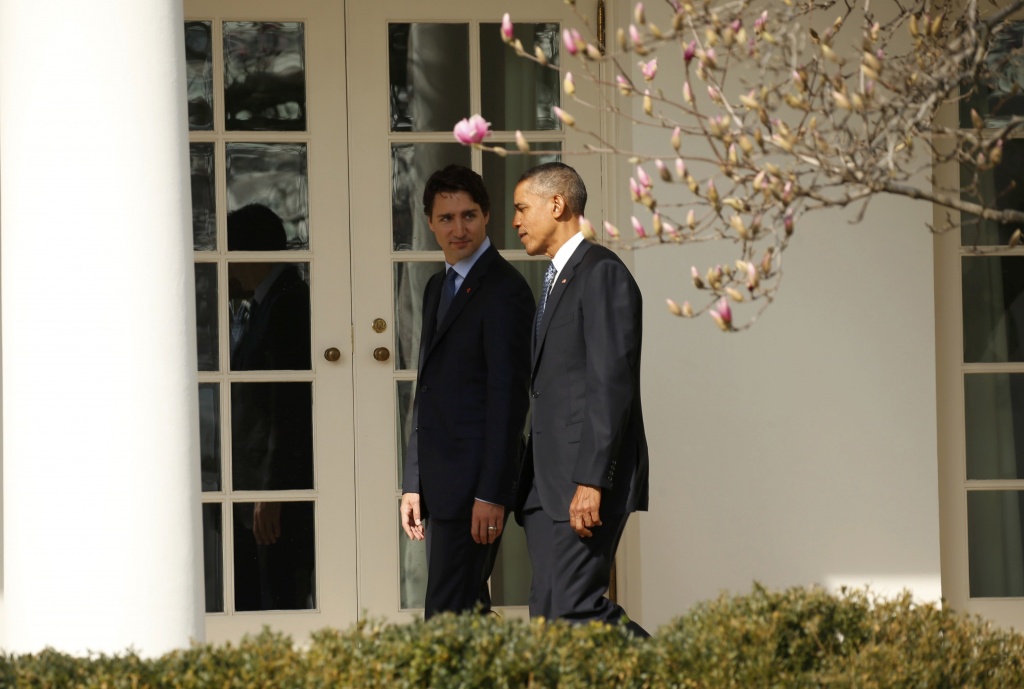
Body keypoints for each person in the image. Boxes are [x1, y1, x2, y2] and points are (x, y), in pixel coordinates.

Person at [512, 162, 650, 636]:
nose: (515, 221)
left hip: (582, 484)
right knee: (550, 621)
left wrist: (592, 480)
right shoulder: (557, 280)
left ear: (557, 205)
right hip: (544, 488)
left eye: (522, 208)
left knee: (577, 609)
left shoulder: (602, 273)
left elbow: (611, 386)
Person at [400, 165, 534, 618]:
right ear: (430, 223)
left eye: (469, 215)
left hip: (476, 488)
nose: (459, 229)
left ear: (487, 215)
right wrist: (412, 484)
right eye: (446, 218)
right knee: (465, 612)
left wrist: (491, 494)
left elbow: (508, 400)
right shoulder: (438, 287)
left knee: (446, 616)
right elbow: (428, 390)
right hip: (439, 486)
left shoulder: (506, 291)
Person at [227, 203, 315, 611]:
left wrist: (274, 489)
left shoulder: (288, 305)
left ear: (249, 253)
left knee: (280, 596)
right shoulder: (261, 304)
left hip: (277, 492)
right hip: (252, 487)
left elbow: (289, 405)